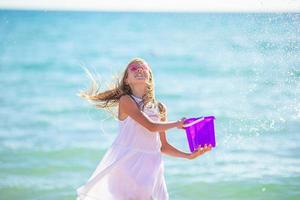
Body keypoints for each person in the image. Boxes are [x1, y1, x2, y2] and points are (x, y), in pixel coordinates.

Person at [76, 57, 212, 200]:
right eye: (134, 68)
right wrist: (177, 124)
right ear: (127, 79)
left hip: (154, 168)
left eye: (144, 68)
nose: (139, 69)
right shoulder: (126, 100)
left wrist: (188, 156)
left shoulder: (159, 108)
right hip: (130, 165)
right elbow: (151, 127)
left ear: (150, 77)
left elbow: (163, 147)